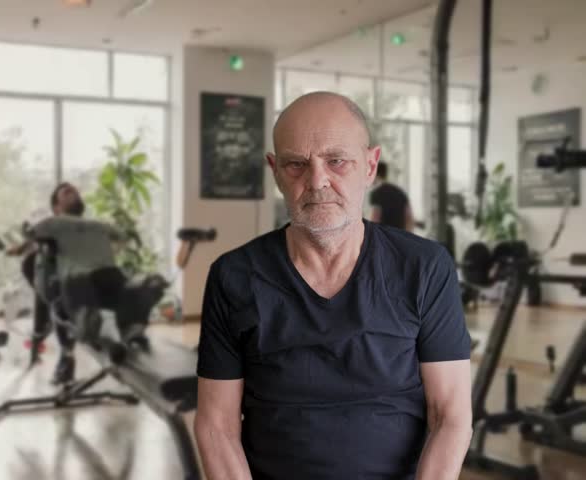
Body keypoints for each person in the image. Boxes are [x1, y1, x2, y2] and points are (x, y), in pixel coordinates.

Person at [194, 92, 472, 479]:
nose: (317, 181)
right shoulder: (234, 276)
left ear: (370, 165)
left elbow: (451, 416)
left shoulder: (424, 267)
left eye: (337, 161)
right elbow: (216, 427)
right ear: (274, 170)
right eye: (296, 164)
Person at [6, 182, 90, 385]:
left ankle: (43, 332)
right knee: (46, 285)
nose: (73, 193)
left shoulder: (90, 228)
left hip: (87, 283)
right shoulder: (51, 227)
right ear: (57, 208)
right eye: (66, 192)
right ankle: (57, 348)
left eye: (75, 191)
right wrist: (21, 247)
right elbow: (37, 233)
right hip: (59, 286)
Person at [369, 161, 415, 231]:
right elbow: (409, 219)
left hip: (384, 237)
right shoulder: (400, 192)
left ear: (375, 174)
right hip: (398, 236)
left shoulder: (376, 193)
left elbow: (375, 219)